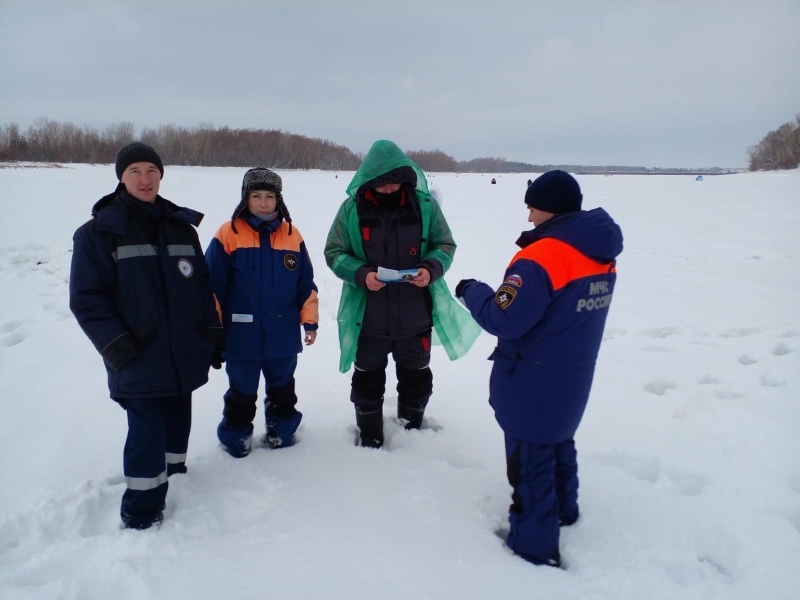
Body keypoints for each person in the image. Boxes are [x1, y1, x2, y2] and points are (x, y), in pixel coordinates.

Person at [455, 170, 623, 567]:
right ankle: (565, 511)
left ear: (549, 208)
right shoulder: (599, 253)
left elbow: (504, 319)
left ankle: (533, 548)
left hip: (533, 378)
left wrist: (472, 290)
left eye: (532, 207)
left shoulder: (542, 256)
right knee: (557, 441)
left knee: (530, 460)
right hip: (572, 373)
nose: (528, 217)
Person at [69, 142, 224, 530]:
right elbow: (87, 301)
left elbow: (201, 289)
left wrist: (212, 336)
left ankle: (176, 475)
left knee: (178, 416)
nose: (145, 179)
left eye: (152, 171)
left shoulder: (181, 227)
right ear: (121, 177)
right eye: (135, 170)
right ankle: (141, 509)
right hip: (139, 353)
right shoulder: (99, 233)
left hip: (183, 349)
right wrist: (119, 349)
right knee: (145, 430)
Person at [324, 139, 479, 448]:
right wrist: (362, 274)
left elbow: (444, 244)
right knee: (367, 377)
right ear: (369, 179)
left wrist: (430, 268)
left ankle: (412, 434)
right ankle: (370, 435)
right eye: (382, 183)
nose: (389, 188)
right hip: (367, 318)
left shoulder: (425, 205)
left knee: (416, 375)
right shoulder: (352, 209)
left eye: (395, 181)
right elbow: (334, 252)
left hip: (415, 316)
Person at [205, 168, 318, 458]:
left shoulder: (293, 236)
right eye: (257, 196)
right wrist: (213, 328)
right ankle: (236, 438)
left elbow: (305, 284)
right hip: (241, 335)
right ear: (246, 199)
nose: (264, 203)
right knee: (241, 392)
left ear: (279, 200)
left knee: (283, 390)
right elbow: (211, 287)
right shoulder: (228, 234)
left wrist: (310, 321)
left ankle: (281, 432)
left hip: (282, 334)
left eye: (270, 196)